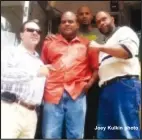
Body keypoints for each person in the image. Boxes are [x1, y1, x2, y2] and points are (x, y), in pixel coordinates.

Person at [41, 11, 99, 139]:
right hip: (52, 93)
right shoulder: (49, 43)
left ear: (77, 25)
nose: (67, 24)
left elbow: (96, 68)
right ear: (59, 26)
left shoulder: (87, 44)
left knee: (76, 135)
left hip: (77, 94)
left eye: (70, 21)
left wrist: (88, 85)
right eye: (63, 22)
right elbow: (42, 68)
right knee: (49, 135)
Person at [89, 11, 141, 139]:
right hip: (106, 89)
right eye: (98, 22)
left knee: (127, 130)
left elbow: (127, 51)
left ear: (112, 19)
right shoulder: (106, 43)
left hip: (124, 85)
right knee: (105, 132)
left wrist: (99, 47)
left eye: (104, 19)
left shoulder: (124, 31)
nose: (101, 23)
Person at [1, 20, 53, 138]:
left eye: (38, 31)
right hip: (11, 109)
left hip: (32, 114)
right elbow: (3, 75)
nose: (35, 33)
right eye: (30, 30)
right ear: (21, 34)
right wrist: (35, 72)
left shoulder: (39, 62)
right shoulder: (10, 52)